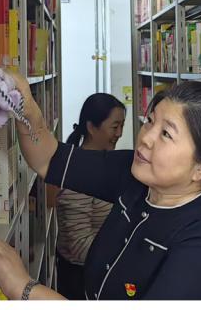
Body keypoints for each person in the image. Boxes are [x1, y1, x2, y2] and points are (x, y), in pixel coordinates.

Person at [0, 78, 201, 300]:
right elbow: (49, 159)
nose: (146, 137)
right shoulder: (137, 171)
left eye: (166, 134)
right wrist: (25, 108)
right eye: (150, 121)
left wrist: (24, 288)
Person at [55, 94, 126, 299]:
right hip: (82, 280)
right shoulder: (79, 175)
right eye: (115, 127)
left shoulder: (107, 164)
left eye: (122, 126)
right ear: (91, 127)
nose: (120, 133)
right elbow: (77, 246)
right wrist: (125, 251)